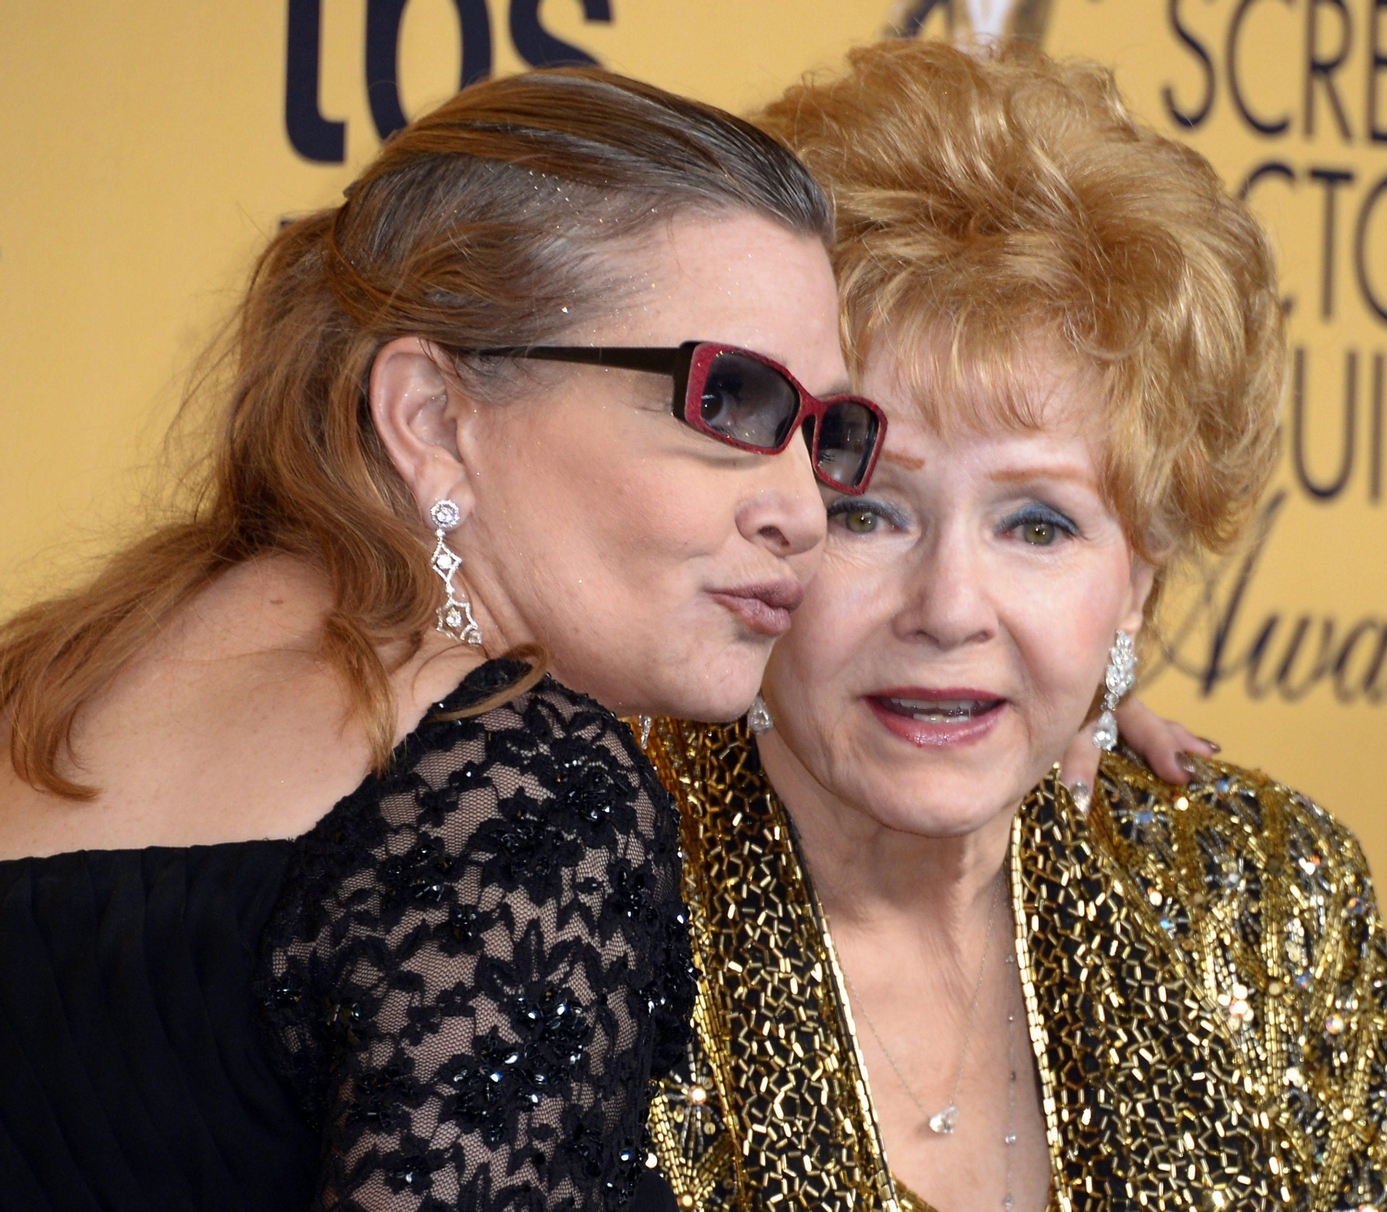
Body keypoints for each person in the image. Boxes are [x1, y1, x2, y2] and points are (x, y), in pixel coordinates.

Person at [0, 67, 892, 1211]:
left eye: (826, 432)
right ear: (430, 416)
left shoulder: (52, 686)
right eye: (729, 402)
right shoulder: (519, 782)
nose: (803, 509)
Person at [630, 40, 1387, 1212]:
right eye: (867, 512)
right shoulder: (586, 913)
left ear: (1139, 581)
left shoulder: (1259, 885)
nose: (951, 610)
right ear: (763, 521)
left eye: (1037, 526)